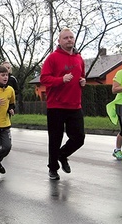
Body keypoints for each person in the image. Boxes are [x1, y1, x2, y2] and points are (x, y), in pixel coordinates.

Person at [40, 28, 86, 180]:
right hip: (56, 106)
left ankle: (62, 154)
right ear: (59, 41)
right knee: (55, 139)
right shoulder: (52, 58)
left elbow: (82, 76)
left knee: (79, 138)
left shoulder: (79, 58)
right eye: (65, 38)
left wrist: (83, 81)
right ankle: (53, 168)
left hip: (75, 105)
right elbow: (44, 79)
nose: (69, 40)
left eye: (71, 37)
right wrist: (61, 80)